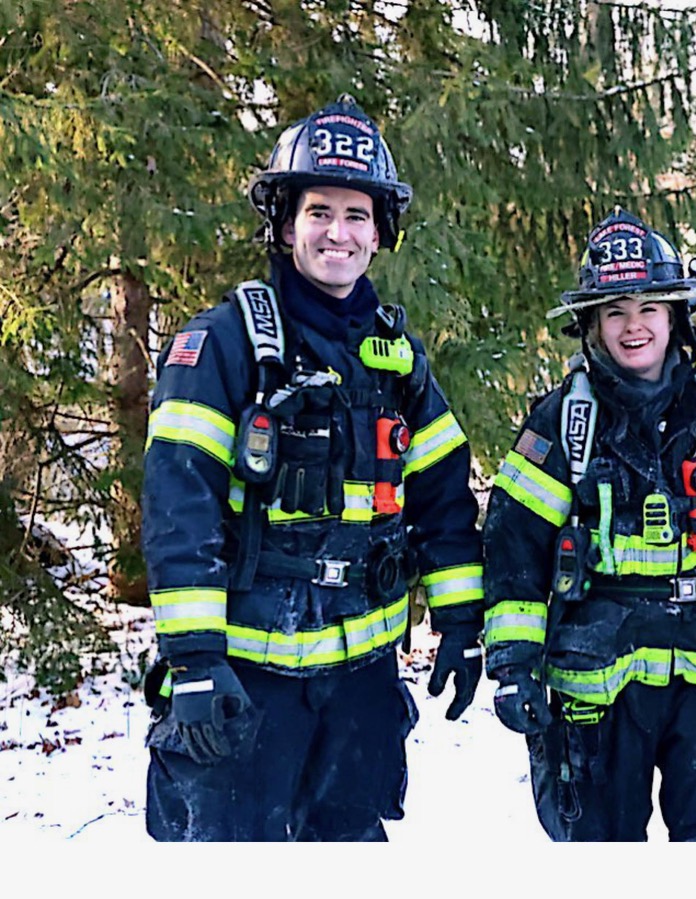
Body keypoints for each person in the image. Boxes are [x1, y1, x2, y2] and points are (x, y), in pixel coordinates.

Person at [140, 95, 484, 841]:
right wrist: (194, 660)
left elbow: (445, 500)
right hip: (244, 683)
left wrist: (461, 621)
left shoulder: (398, 361)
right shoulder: (224, 345)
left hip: (361, 688)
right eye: (319, 211)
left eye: (357, 215)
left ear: (379, 232)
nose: (338, 232)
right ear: (285, 224)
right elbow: (179, 509)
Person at [481, 208, 696, 841]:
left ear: (676, 317)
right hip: (599, 683)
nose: (633, 326)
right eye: (614, 311)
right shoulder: (561, 425)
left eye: (649, 308)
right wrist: (514, 664)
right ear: (592, 325)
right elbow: (513, 551)